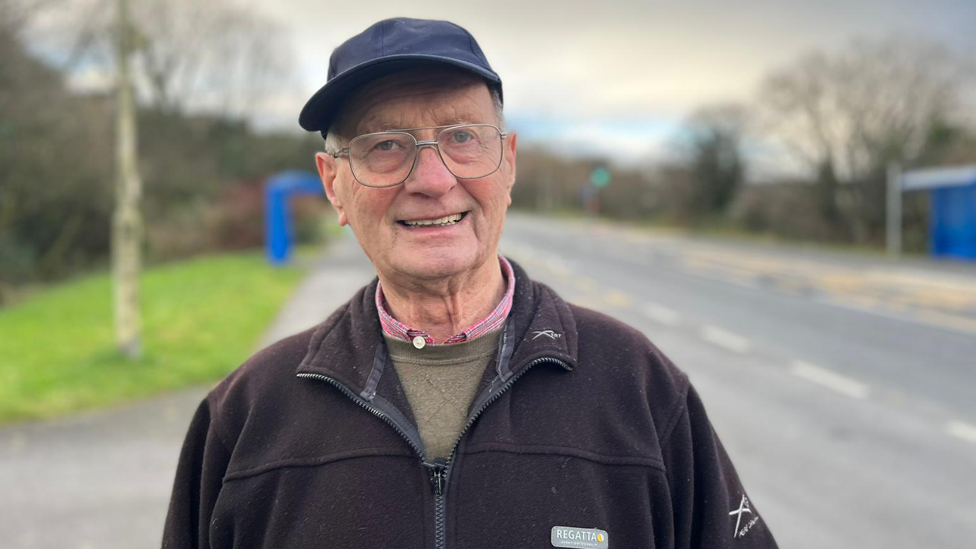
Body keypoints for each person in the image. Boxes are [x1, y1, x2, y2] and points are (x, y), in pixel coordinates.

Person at [162, 17, 778, 549]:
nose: (432, 179)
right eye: (384, 145)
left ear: (507, 162)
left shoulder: (639, 388)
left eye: (461, 136)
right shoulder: (247, 415)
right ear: (333, 185)